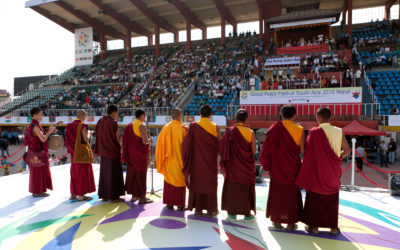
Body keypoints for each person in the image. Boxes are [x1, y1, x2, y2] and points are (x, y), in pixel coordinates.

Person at [295, 107, 350, 236]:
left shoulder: (314, 132)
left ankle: (314, 227)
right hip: (332, 170)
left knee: (315, 198)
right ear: (330, 118)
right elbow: (347, 150)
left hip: (317, 171)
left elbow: (308, 153)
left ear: (317, 118)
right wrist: (338, 156)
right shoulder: (338, 131)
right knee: (331, 198)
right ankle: (333, 228)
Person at [260, 105, 305, 230]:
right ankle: (291, 222)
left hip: (277, 167)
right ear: (295, 115)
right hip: (293, 167)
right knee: (292, 194)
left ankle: (278, 221)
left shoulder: (275, 128)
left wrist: (267, 167)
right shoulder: (299, 129)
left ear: (281, 114)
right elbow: (302, 150)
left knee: (278, 194)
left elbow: (265, 151)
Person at [182, 105, 221, 217]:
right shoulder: (215, 126)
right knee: (210, 183)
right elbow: (220, 143)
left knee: (198, 182)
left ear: (200, 114)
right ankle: (211, 210)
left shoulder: (193, 126)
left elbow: (187, 144)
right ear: (211, 114)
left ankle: (198, 209)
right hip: (210, 161)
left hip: (197, 161)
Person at [220, 109, 256, 221]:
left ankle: (232, 213)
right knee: (245, 189)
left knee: (233, 188)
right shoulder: (250, 132)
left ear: (236, 118)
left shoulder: (230, 131)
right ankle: (246, 214)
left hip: (233, 166)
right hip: (246, 167)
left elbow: (223, 148)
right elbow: (254, 151)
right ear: (246, 119)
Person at [156, 108, 188, 210]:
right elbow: (189, 146)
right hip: (180, 161)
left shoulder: (165, 128)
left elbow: (159, 146)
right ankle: (180, 204)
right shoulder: (184, 128)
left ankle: (169, 203)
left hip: (169, 162)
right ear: (180, 116)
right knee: (180, 182)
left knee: (169, 182)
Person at [94, 104, 125, 203]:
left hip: (103, 152)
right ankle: (114, 197)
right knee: (114, 174)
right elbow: (117, 136)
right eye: (117, 113)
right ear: (113, 112)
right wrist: (121, 146)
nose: (117, 115)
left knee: (104, 174)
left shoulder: (101, 120)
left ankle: (104, 195)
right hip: (112, 151)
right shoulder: (113, 122)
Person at [25, 107, 56, 197]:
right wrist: (49, 132)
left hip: (37, 152)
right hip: (36, 153)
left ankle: (40, 190)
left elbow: (40, 137)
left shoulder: (35, 125)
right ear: (35, 115)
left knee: (41, 171)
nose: (42, 116)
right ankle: (36, 191)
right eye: (40, 114)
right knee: (37, 173)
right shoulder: (35, 127)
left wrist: (48, 131)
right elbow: (43, 139)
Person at [123, 108, 153, 204]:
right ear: (142, 115)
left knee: (133, 174)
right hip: (140, 155)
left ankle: (134, 196)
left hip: (131, 154)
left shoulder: (129, 125)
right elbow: (144, 142)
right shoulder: (142, 126)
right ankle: (141, 198)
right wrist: (150, 140)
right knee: (141, 175)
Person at [65, 109, 96, 201]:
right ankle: (81, 195)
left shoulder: (69, 125)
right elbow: (85, 139)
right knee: (82, 173)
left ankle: (73, 193)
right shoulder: (82, 125)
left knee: (74, 173)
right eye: (85, 116)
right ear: (83, 116)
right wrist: (89, 134)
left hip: (73, 153)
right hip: (81, 153)